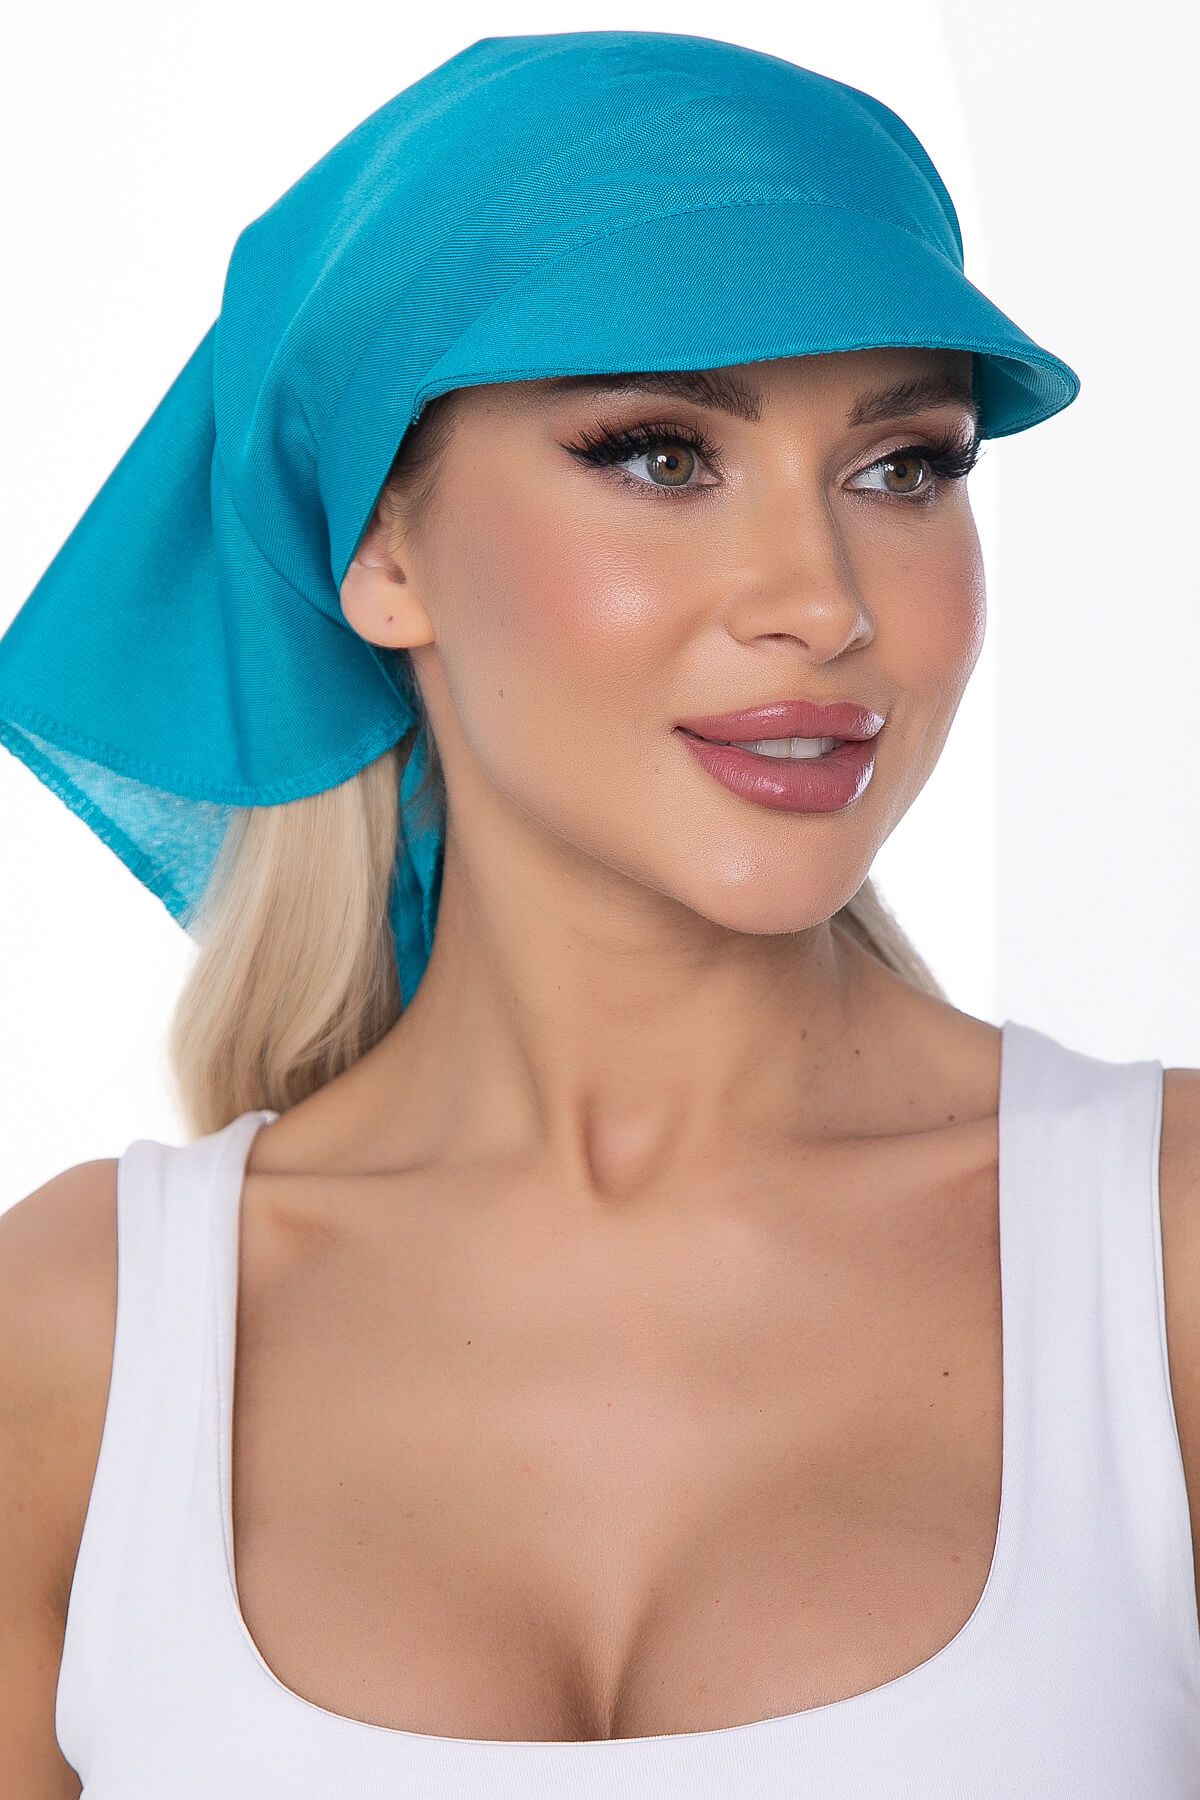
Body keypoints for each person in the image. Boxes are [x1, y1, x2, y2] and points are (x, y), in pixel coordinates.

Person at [4, 29, 1200, 1797]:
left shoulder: (1163, 1262)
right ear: (380, 550)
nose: (821, 603)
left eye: (904, 467)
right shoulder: (71, 1346)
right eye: (659, 456)